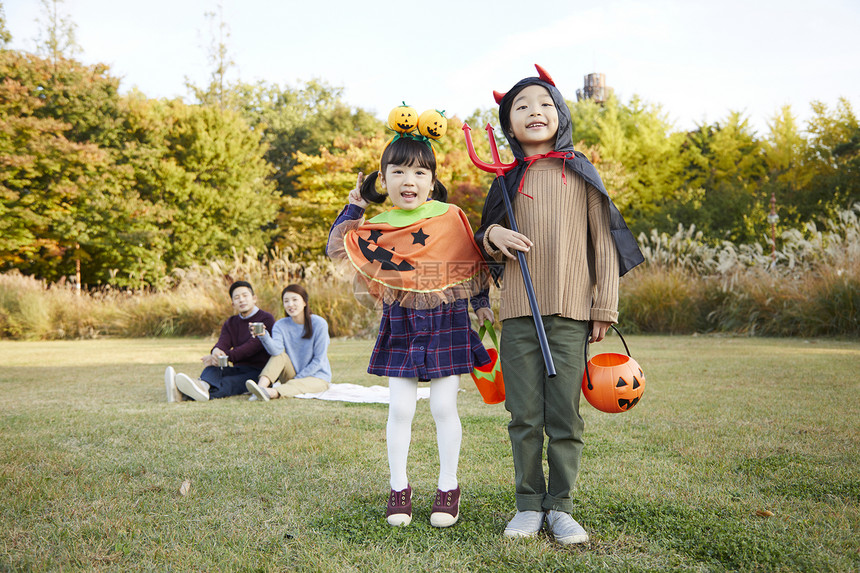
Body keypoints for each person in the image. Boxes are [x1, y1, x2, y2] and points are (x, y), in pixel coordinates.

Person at [473, 65, 644, 545]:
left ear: (561, 114)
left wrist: (604, 306)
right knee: (524, 415)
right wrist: (492, 235)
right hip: (520, 313)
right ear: (509, 125)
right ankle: (528, 504)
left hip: (571, 311)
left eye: (545, 104)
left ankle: (561, 507)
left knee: (565, 416)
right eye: (521, 107)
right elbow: (482, 241)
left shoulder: (580, 171)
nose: (534, 112)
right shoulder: (506, 180)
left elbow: (602, 243)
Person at [326, 107, 494, 528]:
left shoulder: (449, 216)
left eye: (419, 173)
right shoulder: (379, 224)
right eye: (398, 171)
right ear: (383, 179)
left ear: (432, 181)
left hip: (449, 318)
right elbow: (337, 247)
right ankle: (398, 487)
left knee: (442, 406)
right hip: (401, 319)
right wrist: (356, 204)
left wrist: (483, 310)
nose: (409, 181)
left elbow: (470, 265)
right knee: (400, 407)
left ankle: (448, 486)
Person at [164, 280, 275, 402]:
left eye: (245, 295)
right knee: (211, 369)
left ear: (254, 298)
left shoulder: (266, 318)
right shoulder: (231, 323)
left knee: (228, 383)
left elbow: (251, 348)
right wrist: (216, 352)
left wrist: (224, 357)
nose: (241, 300)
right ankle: (203, 386)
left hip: (259, 373)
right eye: (237, 298)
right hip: (238, 368)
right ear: (233, 304)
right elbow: (223, 342)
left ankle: (182, 394)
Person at [245, 284, 332, 401]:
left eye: (295, 300)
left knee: (296, 385)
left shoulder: (319, 324)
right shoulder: (280, 325)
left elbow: (319, 360)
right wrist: (264, 335)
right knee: (280, 356)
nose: (290, 304)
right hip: (292, 376)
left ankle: (269, 393)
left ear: (305, 302)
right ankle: (260, 388)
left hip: (317, 377)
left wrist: (297, 379)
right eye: (286, 301)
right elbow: (276, 351)